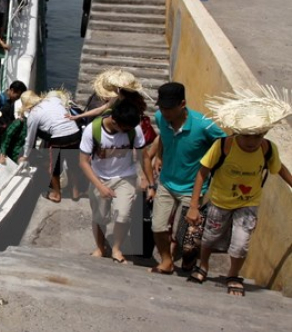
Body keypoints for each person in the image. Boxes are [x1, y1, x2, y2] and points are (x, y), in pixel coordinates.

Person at [185, 86, 292, 296]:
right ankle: (203, 265)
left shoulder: (267, 149)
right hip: (219, 201)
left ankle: (233, 275)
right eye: (247, 136)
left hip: (248, 203)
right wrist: (194, 205)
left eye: (257, 136)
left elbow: (278, 168)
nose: (252, 142)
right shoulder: (223, 146)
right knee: (209, 238)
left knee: (241, 244)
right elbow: (202, 172)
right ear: (237, 132)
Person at [142, 82, 225, 275]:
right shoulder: (160, 117)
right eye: (162, 107)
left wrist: (210, 169)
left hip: (192, 187)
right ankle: (166, 261)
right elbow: (163, 135)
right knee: (158, 226)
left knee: (186, 235)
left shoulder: (204, 125)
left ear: (183, 104)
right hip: (167, 182)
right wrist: (160, 155)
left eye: (170, 108)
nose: (165, 112)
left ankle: (186, 259)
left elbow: (224, 146)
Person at [79, 99, 152, 264]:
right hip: (100, 177)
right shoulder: (93, 130)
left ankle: (117, 249)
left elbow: (144, 155)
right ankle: (100, 247)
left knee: (123, 215)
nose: (126, 132)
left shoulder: (134, 130)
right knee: (100, 217)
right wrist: (99, 186)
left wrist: (147, 179)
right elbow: (83, 162)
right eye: (124, 128)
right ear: (114, 120)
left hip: (125, 177)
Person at [19, 90, 83, 203]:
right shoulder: (54, 100)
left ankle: (56, 194)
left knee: (53, 168)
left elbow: (30, 139)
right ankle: (75, 192)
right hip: (75, 133)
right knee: (73, 164)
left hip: (59, 138)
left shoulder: (33, 114)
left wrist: (25, 156)